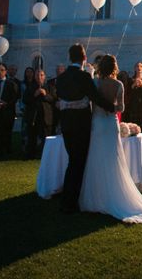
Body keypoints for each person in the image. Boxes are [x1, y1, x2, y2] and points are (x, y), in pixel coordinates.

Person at [75, 54, 142, 223]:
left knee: (96, 157)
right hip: (110, 123)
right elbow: (121, 107)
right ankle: (115, 193)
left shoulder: (94, 83)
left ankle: (96, 196)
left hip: (97, 123)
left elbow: (89, 103)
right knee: (113, 158)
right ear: (114, 67)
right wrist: (111, 107)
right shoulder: (118, 84)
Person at [55, 44, 115, 214]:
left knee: (72, 160)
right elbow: (95, 97)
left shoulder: (61, 78)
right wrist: (112, 107)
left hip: (66, 123)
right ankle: (70, 202)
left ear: (70, 57)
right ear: (84, 58)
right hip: (81, 124)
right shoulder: (83, 77)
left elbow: (61, 98)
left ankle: (68, 198)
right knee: (78, 162)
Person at [23, 69, 57, 159]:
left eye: (41, 75)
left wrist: (45, 95)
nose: (39, 77)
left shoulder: (50, 87)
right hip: (34, 117)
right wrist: (34, 95)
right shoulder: (30, 87)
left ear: (44, 76)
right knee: (32, 138)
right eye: (37, 75)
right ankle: (30, 155)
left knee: (46, 138)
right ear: (34, 77)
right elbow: (25, 100)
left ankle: (46, 156)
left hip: (46, 117)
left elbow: (54, 99)